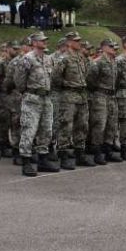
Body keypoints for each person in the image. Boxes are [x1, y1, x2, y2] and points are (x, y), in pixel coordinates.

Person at [13, 32, 60, 176]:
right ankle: (26, 162)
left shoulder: (48, 59)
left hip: (46, 98)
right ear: (34, 43)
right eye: (41, 40)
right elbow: (19, 80)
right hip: (32, 98)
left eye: (45, 40)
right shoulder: (27, 59)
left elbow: (52, 78)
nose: (45, 42)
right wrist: (28, 92)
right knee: (29, 129)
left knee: (46, 130)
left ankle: (43, 160)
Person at [52, 31, 92, 169]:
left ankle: (79, 153)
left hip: (81, 95)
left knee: (82, 125)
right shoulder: (64, 58)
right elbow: (55, 77)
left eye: (79, 40)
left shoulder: (80, 58)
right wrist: (66, 85)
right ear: (69, 42)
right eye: (76, 40)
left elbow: (85, 75)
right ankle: (62, 154)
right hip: (68, 96)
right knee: (66, 125)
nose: (79, 43)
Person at [87, 38, 120, 165]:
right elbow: (90, 80)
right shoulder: (98, 62)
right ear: (104, 48)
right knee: (100, 124)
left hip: (112, 96)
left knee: (112, 124)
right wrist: (99, 90)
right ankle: (97, 152)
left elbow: (117, 80)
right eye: (110, 46)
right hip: (100, 96)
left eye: (113, 46)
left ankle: (108, 150)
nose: (113, 48)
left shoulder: (114, 62)